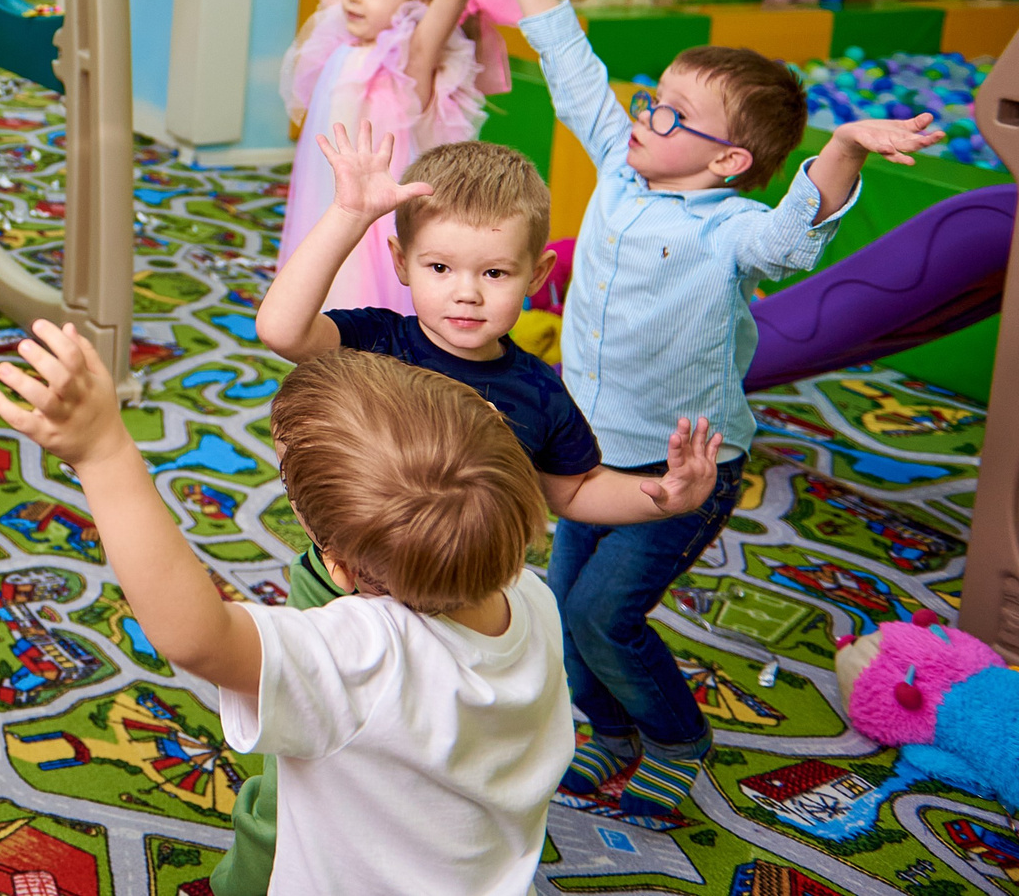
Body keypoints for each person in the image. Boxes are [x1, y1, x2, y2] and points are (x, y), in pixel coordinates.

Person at [481, 0, 941, 822]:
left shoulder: (734, 229)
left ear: (728, 160)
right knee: (567, 616)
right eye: (653, 97)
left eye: (672, 113)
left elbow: (794, 237)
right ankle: (611, 732)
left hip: (684, 471)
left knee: (605, 617)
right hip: (588, 457)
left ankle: (678, 738)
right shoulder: (619, 166)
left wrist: (843, 147)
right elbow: (573, 67)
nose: (645, 114)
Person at [221, 126, 722, 895]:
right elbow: (280, 328)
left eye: (493, 271)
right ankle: (274, 849)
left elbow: (573, 490)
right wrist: (349, 214)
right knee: (303, 746)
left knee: (420, 745)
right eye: (440, 267)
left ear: (537, 273)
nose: (466, 291)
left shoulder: (539, 390)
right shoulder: (376, 340)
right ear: (401, 263)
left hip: (466, 593)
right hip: (345, 580)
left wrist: (660, 494)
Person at [0, 324, 569, 896]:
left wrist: (104, 454)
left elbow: (200, 637)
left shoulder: (368, 657)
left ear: (338, 568)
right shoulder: (533, 598)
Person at [281, 0, 513, 310]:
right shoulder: (343, 35)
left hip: (379, 222)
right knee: (315, 303)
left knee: (366, 318)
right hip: (327, 202)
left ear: (417, 4)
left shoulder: (413, 57)